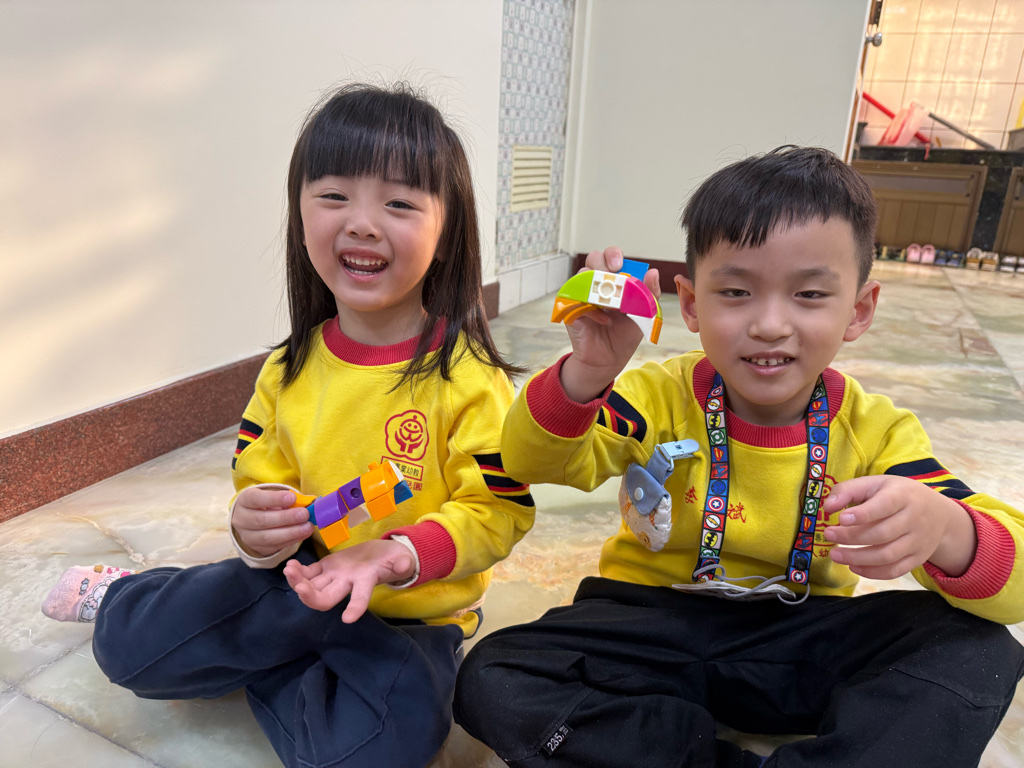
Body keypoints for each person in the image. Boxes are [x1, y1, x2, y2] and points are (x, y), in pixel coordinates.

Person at [453, 146, 1024, 768]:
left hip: (801, 638)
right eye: (736, 292)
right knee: (494, 675)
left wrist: (946, 528)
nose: (770, 324)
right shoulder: (654, 397)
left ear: (858, 310)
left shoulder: (877, 433)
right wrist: (587, 373)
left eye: (809, 294)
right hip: (649, 624)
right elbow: (530, 462)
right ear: (691, 304)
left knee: (983, 649)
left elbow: (1013, 587)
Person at [41, 82, 536, 768]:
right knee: (129, 651)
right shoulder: (286, 369)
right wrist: (254, 521)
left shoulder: (470, 377)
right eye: (334, 196)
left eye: (398, 203)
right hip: (287, 586)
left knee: (375, 752)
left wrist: (395, 554)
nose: (362, 224)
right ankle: (126, 594)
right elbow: (257, 472)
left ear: (447, 232)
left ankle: (274, 662)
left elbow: (498, 509)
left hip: (409, 621)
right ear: (300, 218)